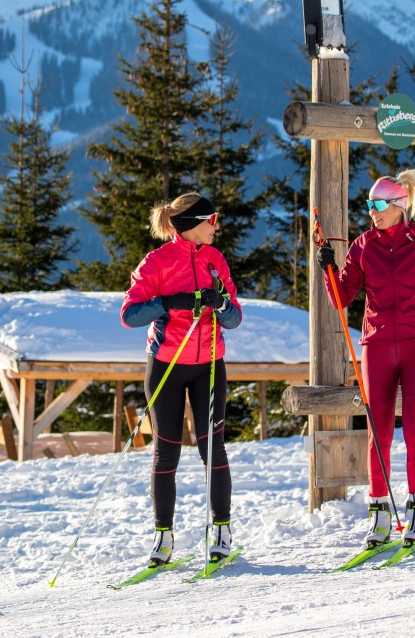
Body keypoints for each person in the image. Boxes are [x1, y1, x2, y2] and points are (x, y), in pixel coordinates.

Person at [316, 169, 415, 548]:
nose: (372, 211)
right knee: (378, 433)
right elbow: (341, 298)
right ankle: (380, 517)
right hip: (378, 345)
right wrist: (329, 269)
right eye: (369, 205)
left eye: (379, 204)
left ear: (399, 205)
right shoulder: (363, 245)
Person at [120, 192, 243, 567]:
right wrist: (170, 303)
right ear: (193, 223)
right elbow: (130, 314)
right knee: (166, 451)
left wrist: (220, 303)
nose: (216, 225)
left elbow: (235, 317)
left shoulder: (215, 260)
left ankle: (221, 531)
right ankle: (163, 537)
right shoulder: (157, 262)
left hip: (208, 363)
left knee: (213, 449)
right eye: (213, 218)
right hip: (167, 365)